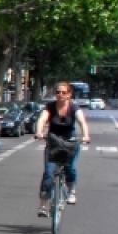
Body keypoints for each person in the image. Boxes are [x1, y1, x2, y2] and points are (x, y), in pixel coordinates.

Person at [34, 81, 90, 215]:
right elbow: (42, 119)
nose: (60, 95)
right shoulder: (50, 107)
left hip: (70, 142)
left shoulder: (74, 108)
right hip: (53, 142)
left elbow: (82, 122)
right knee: (48, 172)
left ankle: (71, 190)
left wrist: (86, 136)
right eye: (58, 92)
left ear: (69, 95)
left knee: (70, 168)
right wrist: (39, 132)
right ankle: (43, 205)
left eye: (63, 92)